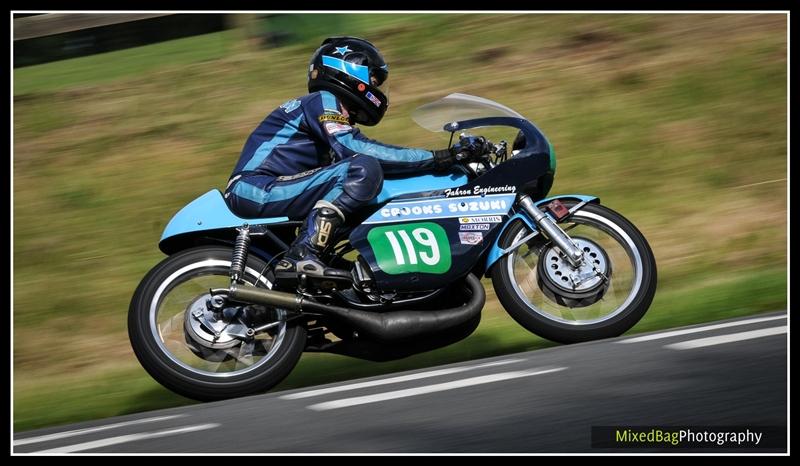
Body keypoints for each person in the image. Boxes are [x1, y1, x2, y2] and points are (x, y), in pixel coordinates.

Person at [224, 36, 483, 280]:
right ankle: (304, 253)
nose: (376, 86)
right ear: (348, 70)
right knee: (361, 167)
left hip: (273, 187)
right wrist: (438, 158)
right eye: (372, 77)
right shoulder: (323, 100)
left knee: (364, 185)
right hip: (254, 187)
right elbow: (358, 150)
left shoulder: (328, 112)